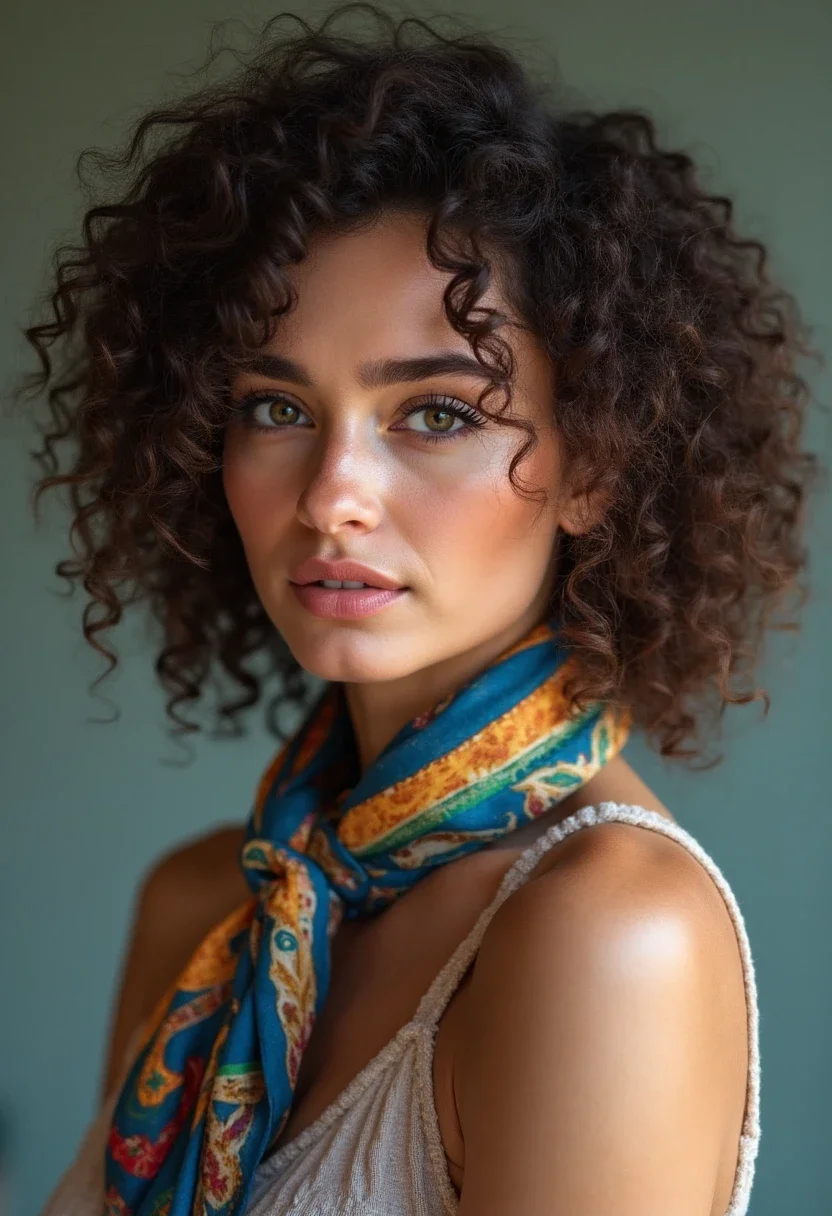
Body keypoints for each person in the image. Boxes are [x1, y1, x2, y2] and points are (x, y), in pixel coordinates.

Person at [22, 4, 817, 1214]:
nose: (333, 496)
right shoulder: (208, 908)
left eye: (436, 414)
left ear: (595, 463)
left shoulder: (603, 933)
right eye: (275, 408)